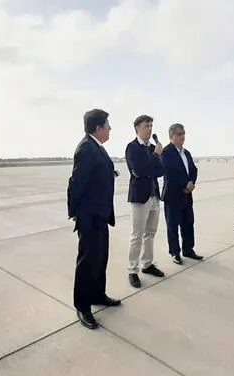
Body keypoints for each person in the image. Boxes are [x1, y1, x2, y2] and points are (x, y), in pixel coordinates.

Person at [67, 108, 120, 330]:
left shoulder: (98, 148)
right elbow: (76, 183)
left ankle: (98, 294)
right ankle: (83, 305)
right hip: (89, 216)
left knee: (100, 257)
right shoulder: (86, 149)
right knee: (88, 261)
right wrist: (76, 212)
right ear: (98, 128)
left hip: (100, 214)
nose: (110, 128)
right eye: (107, 125)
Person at [125, 115, 165, 288]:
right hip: (140, 197)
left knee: (151, 232)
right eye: (146, 125)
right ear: (137, 128)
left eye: (151, 125)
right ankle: (132, 270)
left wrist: (154, 160)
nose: (150, 128)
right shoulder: (132, 148)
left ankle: (147, 264)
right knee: (137, 234)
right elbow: (140, 170)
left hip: (154, 195)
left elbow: (159, 171)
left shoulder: (151, 148)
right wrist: (155, 157)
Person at [160, 123, 204, 265]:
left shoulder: (186, 153)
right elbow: (170, 173)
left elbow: (193, 170)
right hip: (173, 195)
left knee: (188, 223)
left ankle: (188, 250)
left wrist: (192, 183)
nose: (182, 136)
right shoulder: (166, 152)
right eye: (179, 134)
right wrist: (185, 184)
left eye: (183, 133)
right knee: (172, 226)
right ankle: (175, 252)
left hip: (187, 195)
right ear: (171, 136)